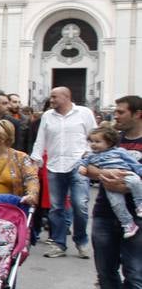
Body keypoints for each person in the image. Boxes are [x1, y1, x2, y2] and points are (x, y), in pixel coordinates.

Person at [88, 96, 142, 289]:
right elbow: (88, 166)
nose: (116, 115)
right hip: (103, 214)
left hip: (136, 218)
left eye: (120, 112)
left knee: (134, 273)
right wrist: (103, 174)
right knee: (106, 270)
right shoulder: (110, 140)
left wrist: (128, 188)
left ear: (137, 114)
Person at [31, 86, 97, 259]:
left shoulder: (84, 113)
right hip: (54, 165)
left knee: (80, 204)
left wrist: (89, 154)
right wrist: (36, 160)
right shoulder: (47, 116)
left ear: (66, 97)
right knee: (56, 207)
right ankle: (59, 243)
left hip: (78, 165)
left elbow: (95, 136)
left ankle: (81, 240)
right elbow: (41, 140)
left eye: (54, 97)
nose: (51, 100)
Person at [78, 126, 142, 240]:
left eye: (97, 142)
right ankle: (128, 224)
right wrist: (101, 172)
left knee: (135, 181)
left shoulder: (119, 151)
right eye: (91, 141)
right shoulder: (91, 155)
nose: (93, 144)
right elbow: (85, 166)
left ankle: (140, 204)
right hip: (106, 199)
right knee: (117, 204)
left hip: (126, 174)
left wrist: (125, 183)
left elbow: (134, 164)